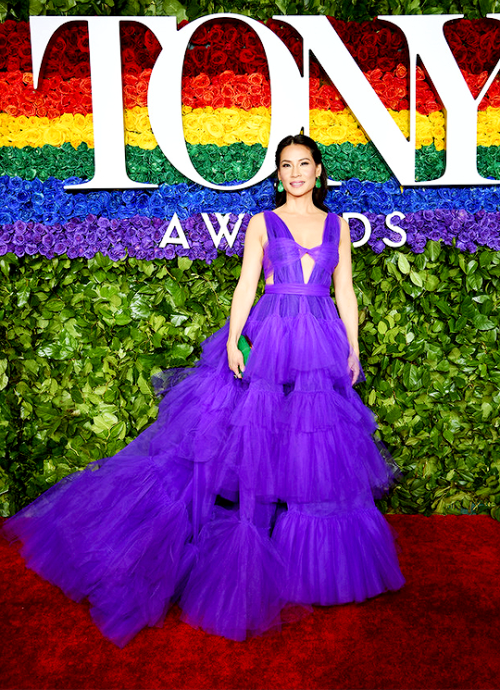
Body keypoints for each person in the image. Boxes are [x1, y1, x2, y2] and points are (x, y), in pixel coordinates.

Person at [2, 134, 405, 647]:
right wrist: (236, 340)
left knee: (312, 444)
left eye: (304, 164)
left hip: (320, 341)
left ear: (319, 171)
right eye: (287, 165)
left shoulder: (338, 226)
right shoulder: (263, 223)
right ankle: (241, 557)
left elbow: (344, 289)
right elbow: (246, 285)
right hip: (271, 337)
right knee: (256, 436)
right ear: (278, 175)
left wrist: (352, 348)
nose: (296, 172)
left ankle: (314, 570)